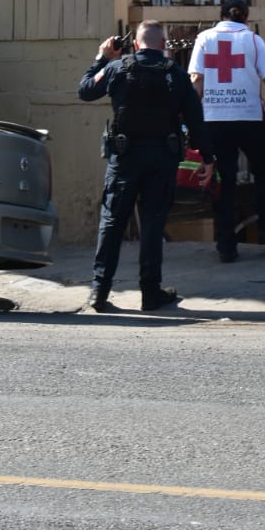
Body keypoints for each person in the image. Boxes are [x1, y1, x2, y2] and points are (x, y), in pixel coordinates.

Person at [78, 20, 213, 312]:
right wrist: (208, 157)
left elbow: (86, 90)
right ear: (164, 45)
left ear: (136, 44)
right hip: (161, 159)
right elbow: (196, 120)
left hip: (125, 159)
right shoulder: (175, 75)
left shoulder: (117, 68)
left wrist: (102, 57)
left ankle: (99, 292)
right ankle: (150, 292)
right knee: (152, 225)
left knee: (112, 222)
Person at [189, 0, 265, 262]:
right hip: (249, 117)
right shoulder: (253, 40)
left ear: (221, 16)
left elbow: (197, 80)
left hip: (214, 119)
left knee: (224, 179)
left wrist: (190, 117)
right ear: (245, 17)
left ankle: (225, 244)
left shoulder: (204, 39)